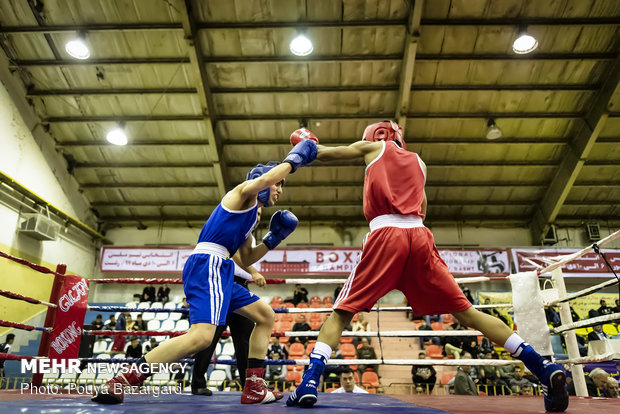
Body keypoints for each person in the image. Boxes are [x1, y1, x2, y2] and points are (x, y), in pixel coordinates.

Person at [286, 123, 568, 412]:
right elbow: (423, 208)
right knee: (467, 313)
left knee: (342, 312)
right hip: (420, 236)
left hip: (386, 234)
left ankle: (309, 381)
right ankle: (542, 366)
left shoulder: (373, 147)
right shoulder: (419, 163)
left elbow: (329, 154)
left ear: (374, 136)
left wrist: (306, 145)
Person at [92, 140, 318, 405]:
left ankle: (254, 386)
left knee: (265, 316)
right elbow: (268, 177)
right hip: (207, 263)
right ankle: (123, 379)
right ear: (262, 180)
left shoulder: (253, 217)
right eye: (278, 184)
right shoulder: (243, 193)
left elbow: (246, 258)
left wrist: (272, 239)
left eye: (281, 185)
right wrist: (293, 161)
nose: (280, 189)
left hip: (221, 268)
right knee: (200, 337)